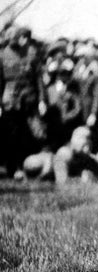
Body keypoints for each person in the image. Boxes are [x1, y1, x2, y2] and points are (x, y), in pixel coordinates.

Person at [0, 27, 47, 179]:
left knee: (28, 136)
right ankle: (11, 168)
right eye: (20, 37)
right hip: (10, 101)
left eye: (26, 38)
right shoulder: (3, 55)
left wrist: (41, 100)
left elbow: (39, 80)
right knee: (10, 135)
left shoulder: (32, 54)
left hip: (28, 101)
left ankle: (26, 168)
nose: (24, 41)